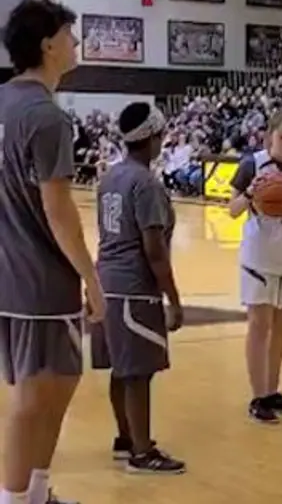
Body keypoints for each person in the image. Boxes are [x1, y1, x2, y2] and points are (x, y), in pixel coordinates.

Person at [0, 0, 107, 504]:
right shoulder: (46, 118)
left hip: (8, 273)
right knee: (32, 395)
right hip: (40, 279)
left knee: (62, 378)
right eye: (70, 34)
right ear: (48, 45)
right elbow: (59, 212)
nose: (76, 43)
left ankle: (37, 490)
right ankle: (14, 497)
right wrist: (92, 277)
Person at [90, 102, 185, 474]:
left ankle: (125, 437)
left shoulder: (109, 177)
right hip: (134, 287)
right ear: (151, 138)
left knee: (121, 368)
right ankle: (142, 452)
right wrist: (174, 300)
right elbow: (154, 250)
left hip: (107, 282)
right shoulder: (145, 183)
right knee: (138, 372)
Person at [227, 109, 282, 424]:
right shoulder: (252, 164)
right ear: (270, 137)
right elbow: (232, 210)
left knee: (281, 328)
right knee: (259, 326)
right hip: (259, 255)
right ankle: (257, 395)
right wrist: (254, 193)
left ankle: (272, 390)